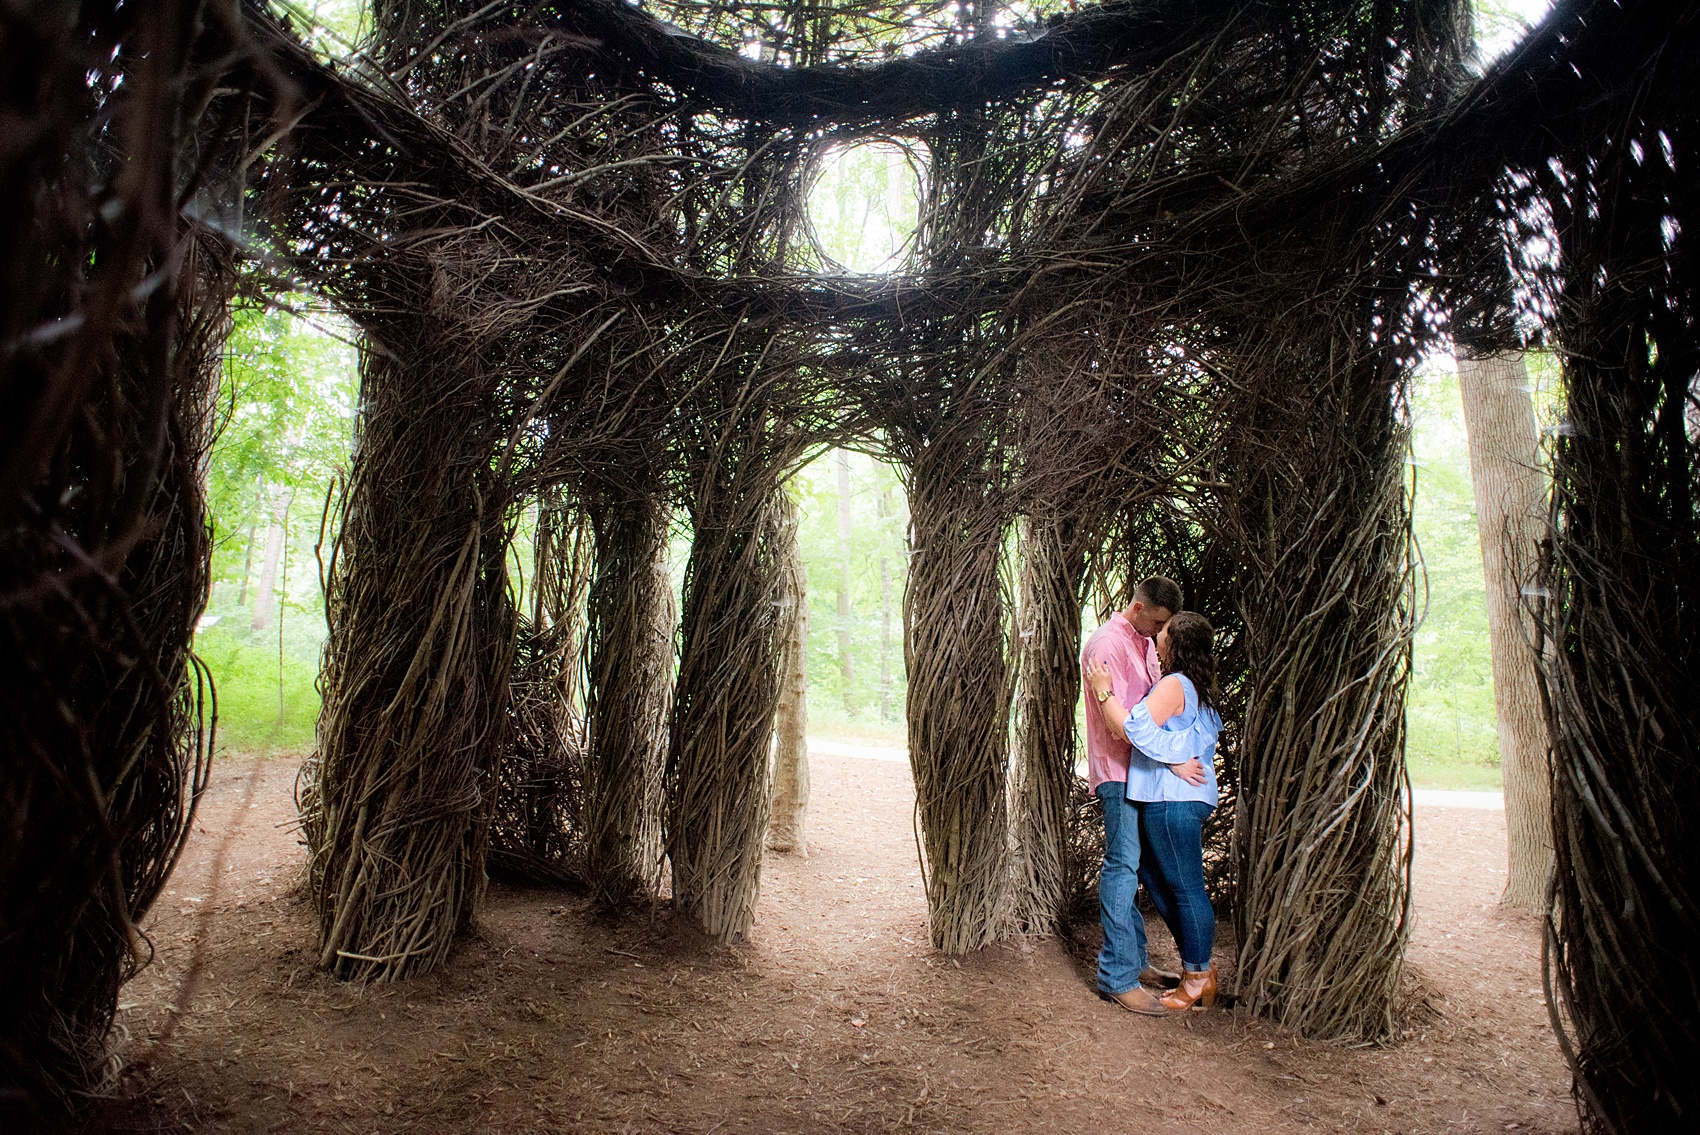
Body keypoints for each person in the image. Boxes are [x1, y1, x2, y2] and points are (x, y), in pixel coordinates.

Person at [1085, 610, 1224, 1013]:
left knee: (1186, 889)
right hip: (1177, 798)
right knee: (1155, 877)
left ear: (1175, 643)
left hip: (1173, 800)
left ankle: (1197, 976)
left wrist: (1105, 692)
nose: (1156, 637)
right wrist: (1177, 758)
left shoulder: (1175, 684)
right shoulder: (1197, 685)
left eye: (1163, 632)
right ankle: (1196, 969)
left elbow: (1134, 731)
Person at [1079, 576, 1188, 1015]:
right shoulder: (1107, 644)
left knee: (1136, 866)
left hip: (1142, 773)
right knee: (1122, 866)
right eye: (1157, 623)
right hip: (1118, 771)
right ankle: (1116, 977)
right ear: (1140, 609)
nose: (1159, 634)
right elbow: (1120, 725)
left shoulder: (1142, 641)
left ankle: (1135, 961)